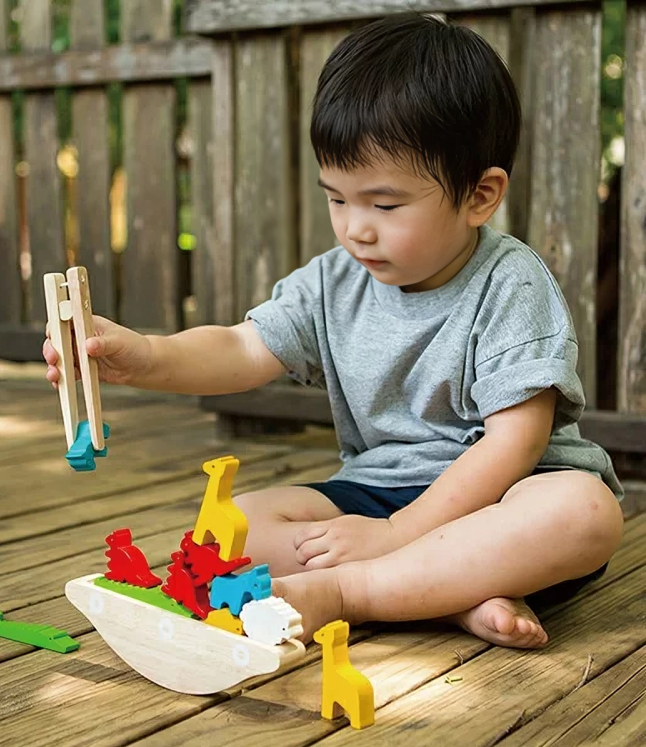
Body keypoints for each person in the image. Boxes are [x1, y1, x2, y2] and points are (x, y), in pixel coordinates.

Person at [44, 13, 623, 648]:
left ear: (480, 196)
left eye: (385, 203)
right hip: (376, 491)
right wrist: (144, 356)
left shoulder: (510, 283)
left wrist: (400, 534)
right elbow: (241, 347)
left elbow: (514, 443)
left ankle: (357, 591)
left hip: (503, 500)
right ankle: (449, 595)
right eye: (337, 199)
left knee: (584, 512)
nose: (355, 228)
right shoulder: (333, 281)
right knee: (230, 526)